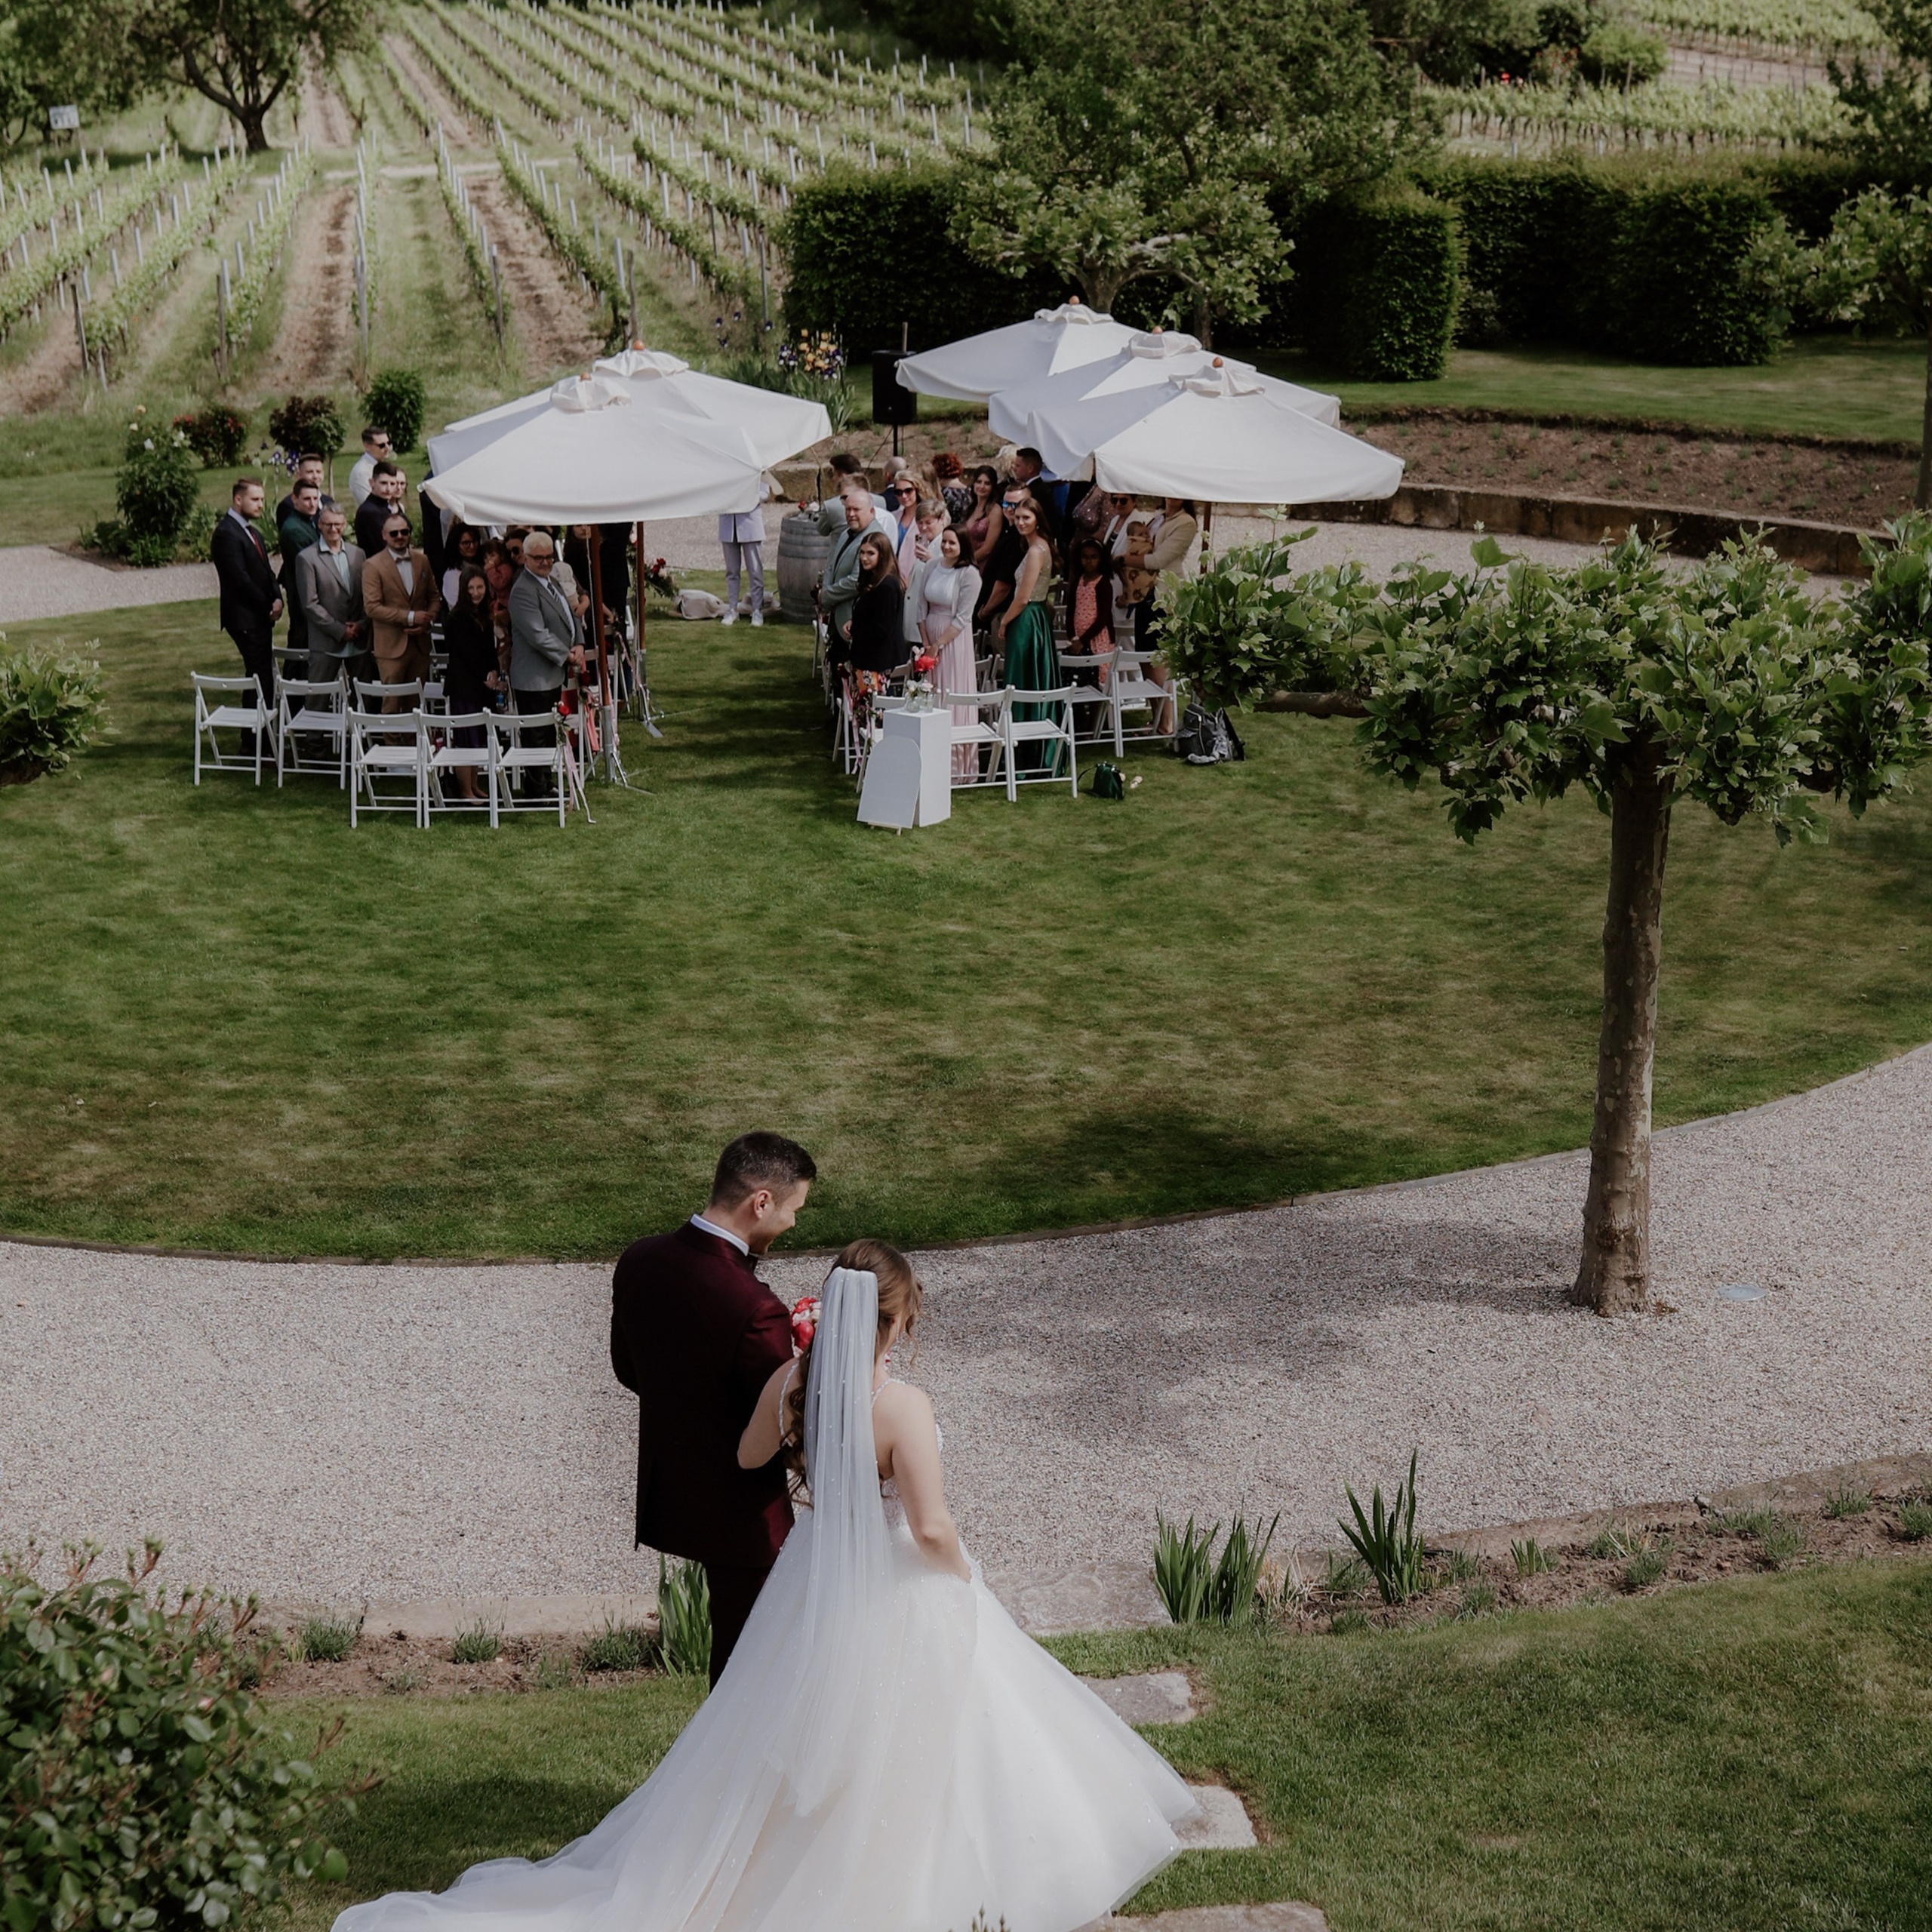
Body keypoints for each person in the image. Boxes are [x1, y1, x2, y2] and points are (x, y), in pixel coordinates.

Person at [337, 1237, 1197, 1932]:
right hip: (897, 1577)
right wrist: (966, 1573)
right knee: (935, 1722)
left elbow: (749, 1457)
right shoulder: (904, 1408)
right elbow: (930, 1526)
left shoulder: (794, 1383)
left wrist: (795, 1406)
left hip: (815, 1572)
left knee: (798, 1719)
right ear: (894, 1324)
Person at [608, 1133, 817, 1685]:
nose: (794, 1223)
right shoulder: (754, 1308)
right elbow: (786, 1419)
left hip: (674, 1490)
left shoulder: (640, 1259)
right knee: (755, 1665)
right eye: (794, 1208)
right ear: (762, 1202)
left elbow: (629, 1370)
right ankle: (734, 1771)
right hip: (745, 1512)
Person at [506, 529, 586, 795]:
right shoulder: (522, 591)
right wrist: (568, 654)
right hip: (533, 678)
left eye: (549, 557)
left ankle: (546, 783)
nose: (545, 562)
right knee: (536, 735)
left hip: (551, 674)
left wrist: (580, 643)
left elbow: (571, 615)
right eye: (539, 558)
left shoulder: (551, 581)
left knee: (549, 731)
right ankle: (537, 790)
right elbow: (537, 635)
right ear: (526, 558)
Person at [211, 478, 281, 754]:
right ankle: (255, 744)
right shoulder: (227, 533)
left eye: (262, 500)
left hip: (260, 615)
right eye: (256, 500)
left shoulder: (252, 532)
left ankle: (256, 741)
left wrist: (277, 596)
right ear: (238, 500)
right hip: (244, 619)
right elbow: (239, 579)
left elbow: (266, 570)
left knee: (260, 676)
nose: (261, 505)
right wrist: (267, 605)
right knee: (260, 678)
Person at [908, 524, 982, 780]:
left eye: (952, 543)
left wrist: (938, 645)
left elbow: (963, 619)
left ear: (963, 546)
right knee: (929, 692)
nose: (947, 546)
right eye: (945, 542)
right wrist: (926, 642)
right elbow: (920, 607)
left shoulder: (970, 574)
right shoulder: (931, 566)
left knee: (951, 691)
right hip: (929, 634)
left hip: (953, 641)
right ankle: (928, 759)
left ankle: (955, 767)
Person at [995, 493, 1059, 768]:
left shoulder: (1035, 551)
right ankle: (1029, 749)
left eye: (1026, 518)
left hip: (1027, 619)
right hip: (1035, 619)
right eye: (1018, 517)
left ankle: (1026, 753)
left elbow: (1023, 597)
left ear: (1037, 520)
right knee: (1032, 679)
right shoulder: (1039, 546)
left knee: (1022, 680)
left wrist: (1004, 621)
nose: (1020, 522)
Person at [361, 510, 441, 710]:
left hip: (420, 645)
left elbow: (434, 596)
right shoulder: (373, 565)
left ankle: (414, 741)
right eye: (394, 533)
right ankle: (392, 742)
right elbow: (372, 607)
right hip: (391, 647)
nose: (399, 537)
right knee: (392, 703)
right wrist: (411, 617)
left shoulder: (421, 560)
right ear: (384, 535)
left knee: (416, 704)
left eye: (404, 532)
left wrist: (427, 622)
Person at [441, 566, 504, 801]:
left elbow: (489, 650)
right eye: (471, 588)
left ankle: (475, 785)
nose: (476, 592)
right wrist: (484, 675)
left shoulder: (484, 615)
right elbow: (465, 653)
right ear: (463, 590)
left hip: (482, 686)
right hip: (464, 686)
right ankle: (465, 790)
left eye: (480, 587)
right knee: (465, 739)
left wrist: (494, 672)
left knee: (478, 737)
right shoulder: (457, 617)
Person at [294, 506, 369, 697]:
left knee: (364, 700)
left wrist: (361, 625)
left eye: (338, 524)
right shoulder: (307, 558)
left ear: (345, 525)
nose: (333, 529)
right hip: (326, 642)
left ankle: (359, 729)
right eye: (328, 524)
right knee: (317, 701)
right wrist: (340, 630)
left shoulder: (358, 554)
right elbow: (310, 604)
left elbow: (366, 596)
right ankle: (315, 729)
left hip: (359, 640)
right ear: (320, 524)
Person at [820, 480, 891, 663]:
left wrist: (826, 595)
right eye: (848, 509)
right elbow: (832, 565)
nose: (851, 514)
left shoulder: (874, 538)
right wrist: (825, 589)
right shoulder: (846, 533)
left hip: (853, 619)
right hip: (838, 617)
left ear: (871, 511)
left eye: (856, 510)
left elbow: (856, 580)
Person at [275, 476, 322, 675]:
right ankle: (294, 694)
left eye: (315, 498)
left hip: (307, 591)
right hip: (303, 594)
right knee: (300, 642)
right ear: (295, 500)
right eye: (307, 499)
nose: (312, 503)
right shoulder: (294, 529)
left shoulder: (310, 522)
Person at [846, 533, 904, 683]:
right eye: (862, 552)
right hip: (867, 660)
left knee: (872, 706)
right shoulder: (873, 580)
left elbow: (883, 628)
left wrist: (855, 630)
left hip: (877, 664)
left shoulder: (887, 586)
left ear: (883, 555)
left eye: (870, 553)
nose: (864, 558)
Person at [974, 485, 1031, 636]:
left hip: (1002, 612)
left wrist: (986, 610)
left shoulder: (1018, 540)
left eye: (1015, 504)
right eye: (1006, 504)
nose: (1010, 509)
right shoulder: (1007, 531)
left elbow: (1004, 585)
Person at [718, 479, 770, 626]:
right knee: (732, 571)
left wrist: (744, 498)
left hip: (750, 523)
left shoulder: (756, 466)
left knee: (755, 570)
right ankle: (733, 609)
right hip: (728, 523)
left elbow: (765, 492)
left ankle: (757, 610)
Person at [1065, 534, 1115, 665]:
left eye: (1094, 557)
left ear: (1101, 559)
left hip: (1097, 637)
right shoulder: (1077, 581)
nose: (1089, 561)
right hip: (1077, 636)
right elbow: (1070, 610)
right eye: (1085, 557)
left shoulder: (1103, 583)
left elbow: (1103, 617)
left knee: (1099, 673)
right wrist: (1073, 637)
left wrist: (1084, 640)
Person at [354, 460, 408, 556]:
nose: (388, 489)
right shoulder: (370, 512)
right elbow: (384, 548)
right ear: (372, 483)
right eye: (383, 483)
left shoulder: (384, 507)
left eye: (392, 484)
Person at [272, 453, 334, 531]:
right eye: (310, 472)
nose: (315, 476)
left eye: (318, 472)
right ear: (299, 475)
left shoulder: (328, 501)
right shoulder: (288, 505)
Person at [959, 464, 1002, 571]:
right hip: (964, 564)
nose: (982, 486)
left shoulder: (995, 511)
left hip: (981, 566)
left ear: (993, 487)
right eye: (979, 482)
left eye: (987, 483)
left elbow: (988, 549)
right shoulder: (971, 507)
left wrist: (965, 562)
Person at [886, 475, 921, 582]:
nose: (904, 496)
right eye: (899, 492)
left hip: (914, 578)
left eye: (908, 491)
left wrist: (911, 578)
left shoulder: (926, 519)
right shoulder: (893, 516)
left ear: (917, 490)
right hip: (892, 576)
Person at [347, 426, 391, 509]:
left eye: (388, 443)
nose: (387, 448)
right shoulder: (361, 472)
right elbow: (369, 505)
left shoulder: (382, 466)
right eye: (382, 445)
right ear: (367, 446)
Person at [439, 521, 480, 610]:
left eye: (474, 541)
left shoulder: (481, 566)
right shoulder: (452, 575)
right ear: (456, 545)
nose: (472, 546)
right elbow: (457, 606)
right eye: (466, 543)